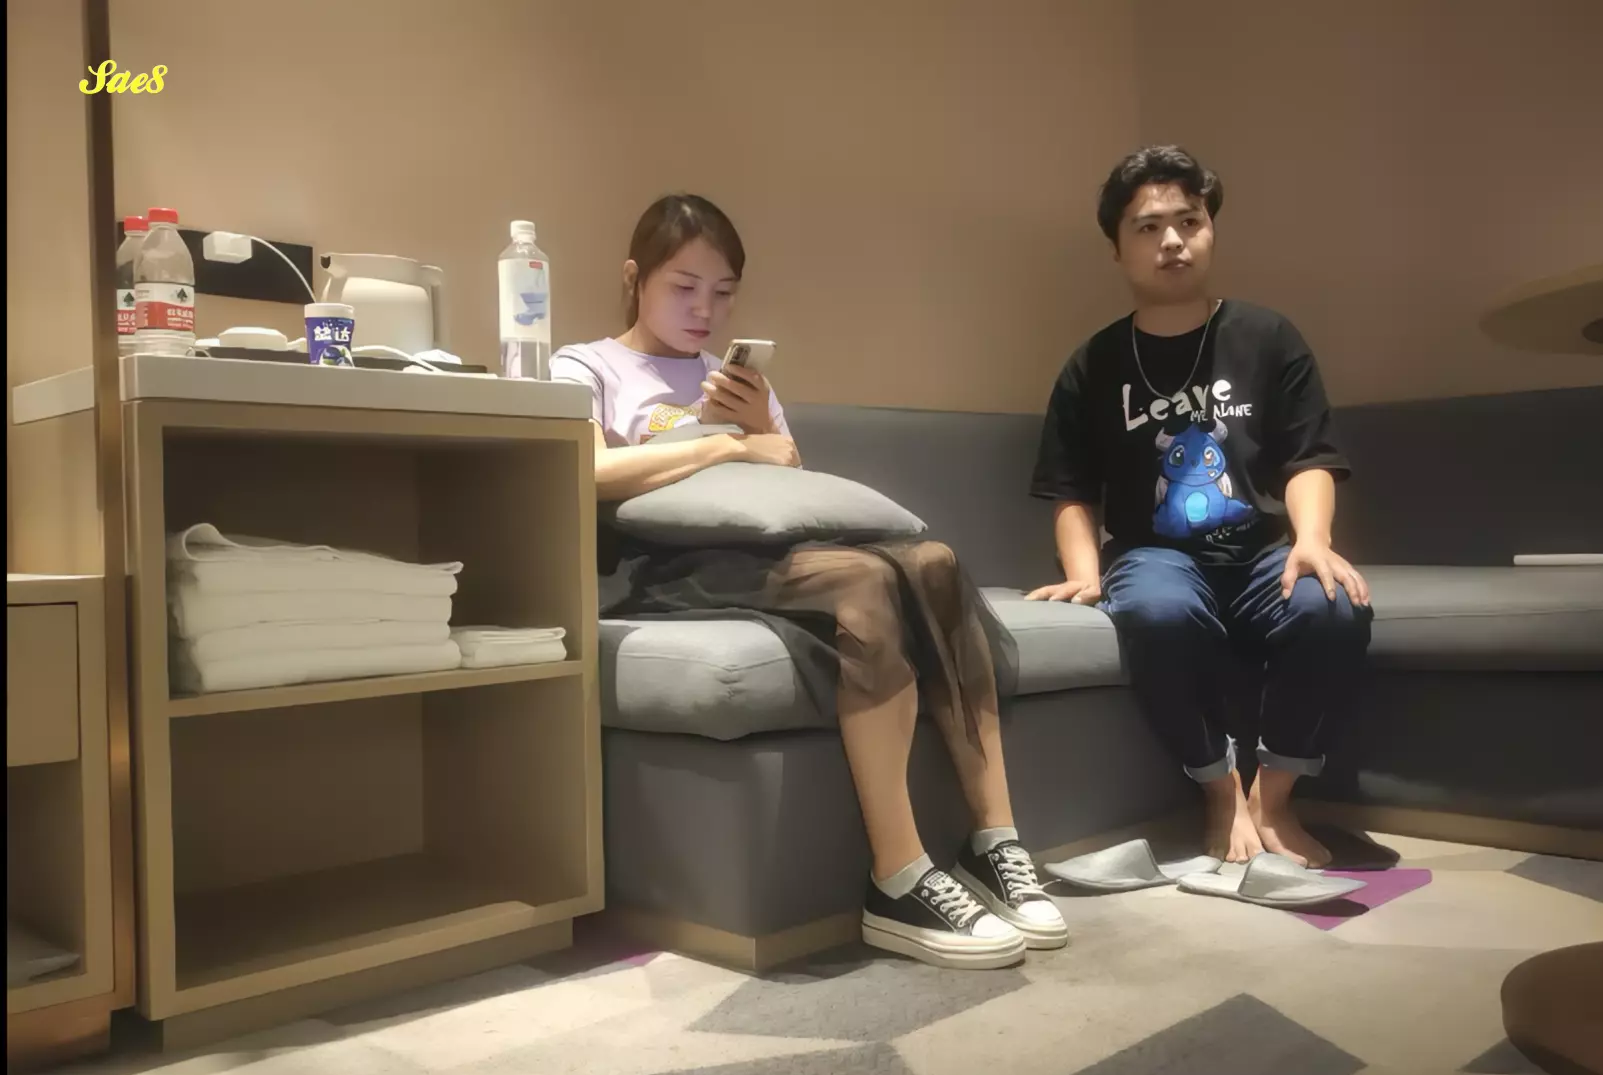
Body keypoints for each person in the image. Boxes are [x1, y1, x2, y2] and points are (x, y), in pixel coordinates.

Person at [551, 194, 1066, 969]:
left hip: (756, 554)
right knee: (861, 581)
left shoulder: (733, 381)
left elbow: (790, 485)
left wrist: (762, 428)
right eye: (683, 287)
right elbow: (589, 469)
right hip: (653, 565)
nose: (703, 310)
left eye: (723, 293)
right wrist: (727, 447)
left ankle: (996, 841)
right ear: (634, 278)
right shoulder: (585, 364)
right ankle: (898, 877)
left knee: (934, 563)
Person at [1027, 147, 1373, 868]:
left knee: (1334, 605)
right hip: (1153, 555)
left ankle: (1271, 799)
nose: (1173, 241)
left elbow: (1308, 456)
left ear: (1211, 229)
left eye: (1190, 221)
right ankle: (1219, 791)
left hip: (1261, 552)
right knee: (1157, 612)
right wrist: (1085, 573)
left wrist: (1312, 538)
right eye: (1148, 227)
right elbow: (1071, 488)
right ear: (1117, 248)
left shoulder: (1268, 337)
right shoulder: (1093, 364)